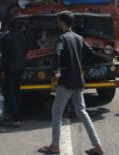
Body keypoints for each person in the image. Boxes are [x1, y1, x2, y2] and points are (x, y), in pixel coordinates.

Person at [38, 11, 104, 155]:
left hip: (66, 82)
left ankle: (55, 146)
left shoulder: (62, 38)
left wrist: (56, 71)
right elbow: (91, 52)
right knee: (82, 112)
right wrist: (80, 64)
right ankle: (97, 146)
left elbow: (57, 54)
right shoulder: (79, 38)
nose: (57, 23)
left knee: (56, 112)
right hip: (78, 81)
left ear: (62, 22)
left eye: (58, 21)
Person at [0, 19, 27, 127]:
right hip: (21, 66)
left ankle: (15, 118)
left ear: (8, 27)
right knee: (17, 90)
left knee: (9, 92)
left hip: (11, 68)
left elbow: (5, 56)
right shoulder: (22, 36)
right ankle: (17, 115)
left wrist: (2, 69)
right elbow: (25, 51)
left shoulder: (7, 37)